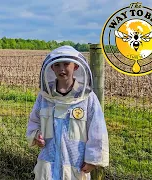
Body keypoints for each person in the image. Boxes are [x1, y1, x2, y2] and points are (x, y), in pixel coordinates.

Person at [26, 46, 109, 180]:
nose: (62, 69)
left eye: (66, 64)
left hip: (75, 163)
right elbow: (34, 121)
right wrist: (36, 136)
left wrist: (92, 160)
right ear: (51, 68)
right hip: (48, 162)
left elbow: (97, 130)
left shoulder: (87, 98)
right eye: (57, 65)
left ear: (76, 66)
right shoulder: (45, 96)